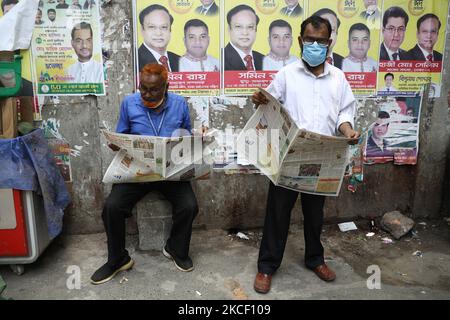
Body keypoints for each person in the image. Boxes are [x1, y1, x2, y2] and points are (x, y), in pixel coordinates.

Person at [251, 15, 359, 294]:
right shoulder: (286, 74)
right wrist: (260, 100)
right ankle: (266, 266)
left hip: (322, 158)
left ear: (329, 44)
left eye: (320, 41)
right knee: (277, 213)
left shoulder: (339, 79)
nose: (314, 45)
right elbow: (268, 105)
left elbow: (344, 114)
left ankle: (315, 259)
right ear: (300, 41)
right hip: (289, 156)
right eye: (309, 40)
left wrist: (348, 132)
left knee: (315, 215)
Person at [90, 63, 199, 285]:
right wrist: (116, 144)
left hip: (169, 171)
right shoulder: (129, 103)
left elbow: (186, 134)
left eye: (153, 90)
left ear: (165, 87)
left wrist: (197, 138)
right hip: (138, 171)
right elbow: (121, 135)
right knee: (112, 207)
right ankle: (117, 259)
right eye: (143, 89)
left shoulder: (179, 104)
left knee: (189, 206)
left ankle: (175, 249)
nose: (147, 94)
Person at [138, 4, 179, 72]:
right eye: (152, 27)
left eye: (164, 27)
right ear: (142, 30)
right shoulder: (135, 61)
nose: (158, 33)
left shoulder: (179, 60)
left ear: (170, 30)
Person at [224, 4, 264, 71]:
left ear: (256, 30)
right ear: (229, 29)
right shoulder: (220, 60)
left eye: (250, 27)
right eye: (238, 27)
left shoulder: (264, 60)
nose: (245, 33)